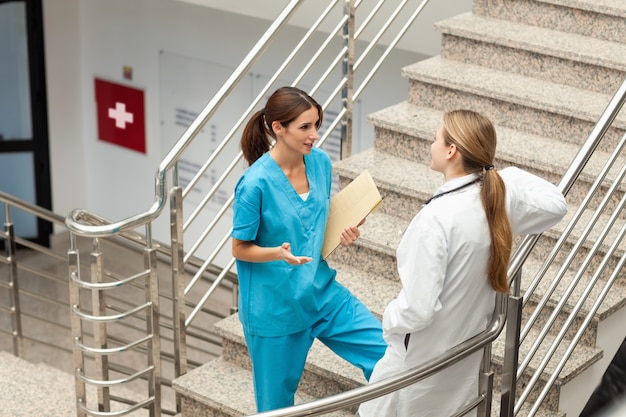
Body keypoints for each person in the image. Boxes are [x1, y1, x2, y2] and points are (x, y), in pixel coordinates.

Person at [358, 109, 568, 417]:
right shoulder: (497, 201)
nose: (431, 144)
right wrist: (503, 174)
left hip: (415, 370)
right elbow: (556, 205)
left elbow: (417, 309)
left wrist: (389, 321)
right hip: (460, 367)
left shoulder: (435, 219)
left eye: (434, 138)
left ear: (451, 150)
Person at [231, 86, 387, 412]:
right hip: (275, 311)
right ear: (278, 128)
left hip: (321, 293)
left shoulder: (319, 163)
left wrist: (344, 230)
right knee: (276, 408)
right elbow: (240, 248)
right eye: (305, 127)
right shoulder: (254, 183)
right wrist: (277, 253)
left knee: (387, 355)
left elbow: (314, 222)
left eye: (317, 124)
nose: (315, 134)